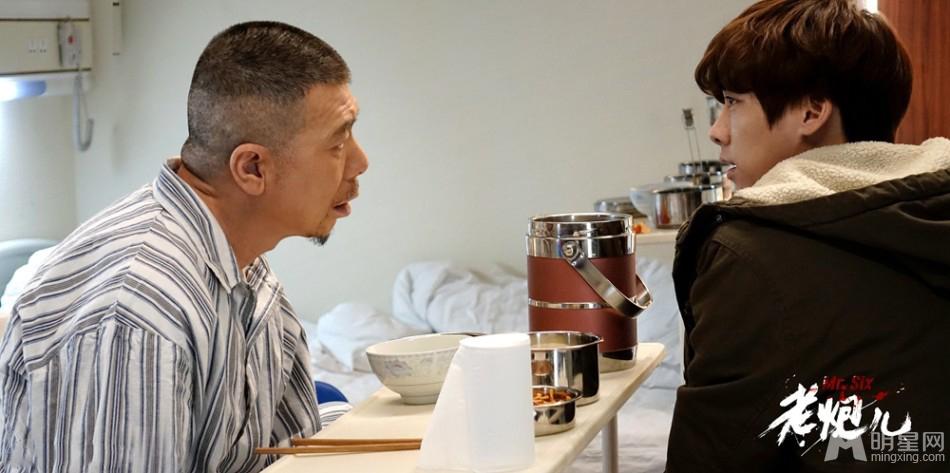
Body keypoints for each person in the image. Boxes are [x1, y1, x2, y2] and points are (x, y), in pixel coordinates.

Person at [0, 21, 367, 473]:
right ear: (252, 168)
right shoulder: (138, 309)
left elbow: (292, 456)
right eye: (338, 143)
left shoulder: (247, 269)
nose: (360, 162)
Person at [667, 0, 950, 471]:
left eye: (733, 102)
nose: (717, 131)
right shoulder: (933, 213)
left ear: (812, 111)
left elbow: (713, 454)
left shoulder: (749, 255)